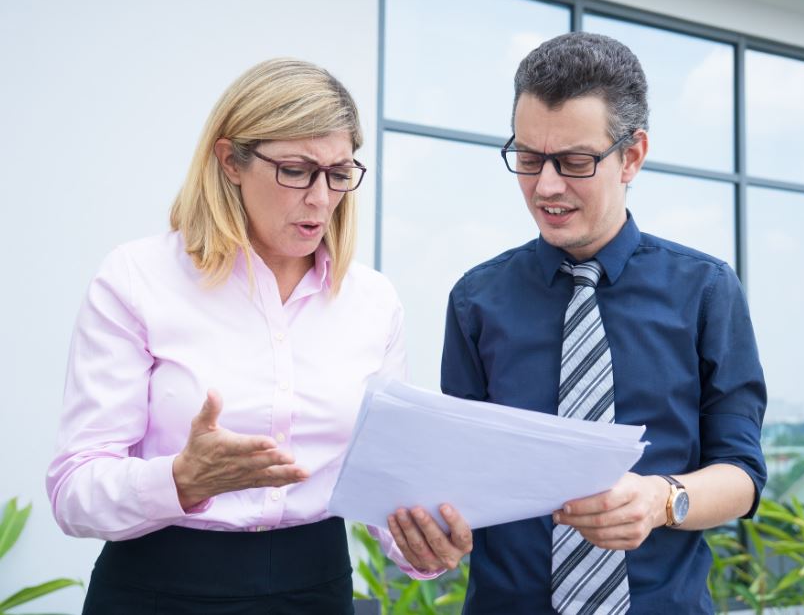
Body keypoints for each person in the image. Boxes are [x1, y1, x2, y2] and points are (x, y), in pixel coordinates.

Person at [46, 58, 469, 614]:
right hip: (157, 590)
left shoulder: (372, 302)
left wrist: (422, 544)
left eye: (340, 173)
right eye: (296, 170)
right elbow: (74, 493)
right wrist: (182, 478)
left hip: (316, 589)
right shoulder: (136, 278)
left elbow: (382, 482)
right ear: (230, 161)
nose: (321, 198)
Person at [438, 32, 767, 614]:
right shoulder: (475, 300)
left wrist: (664, 499)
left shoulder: (706, 291)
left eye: (574, 162)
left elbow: (742, 475)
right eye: (529, 158)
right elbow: (457, 476)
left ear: (632, 155)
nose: (546, 186)